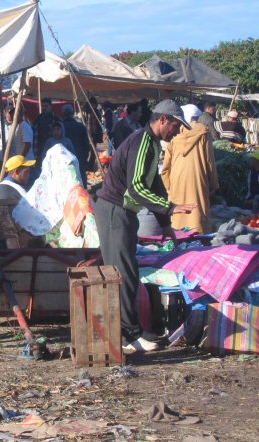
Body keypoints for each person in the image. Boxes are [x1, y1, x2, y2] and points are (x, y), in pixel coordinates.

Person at [95, 99, 196, 354]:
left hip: (124, 213)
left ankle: (128, 332)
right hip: (114, 211)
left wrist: (166, 224)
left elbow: (154, 186)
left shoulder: (151, 143)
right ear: (162, 120)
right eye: (175, 125)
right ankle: (128, 336)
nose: (177, 132)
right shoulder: (142, 141)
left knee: (127, 271)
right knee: (123, 273)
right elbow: (137, 187)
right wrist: (170, 208)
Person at [162, 104, 219, 234]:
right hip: (198, 180)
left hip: (177, 180)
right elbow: (210, 161)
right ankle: (199, 240)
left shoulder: (175, 133)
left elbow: (166, 166)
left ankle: (179, 240)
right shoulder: (204, 132)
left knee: (178, 215)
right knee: (197, 216)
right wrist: (213, 185)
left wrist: (169, 186)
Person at [61, 104, 90, 186]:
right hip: (79, 156)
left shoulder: (60, 126)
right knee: (80, 177)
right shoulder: (81, 126)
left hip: (65, 157)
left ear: (63, 113)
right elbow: (86, 145)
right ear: (73, 113)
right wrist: (85, 156)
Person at [33, 98, 61, 166]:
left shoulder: (55, 118)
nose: (44, 108)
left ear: (50, 107)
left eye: (46, 106)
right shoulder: (38, 118)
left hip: (53, 150)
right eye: (43, 106)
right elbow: (34, 133)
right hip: (40, 150)